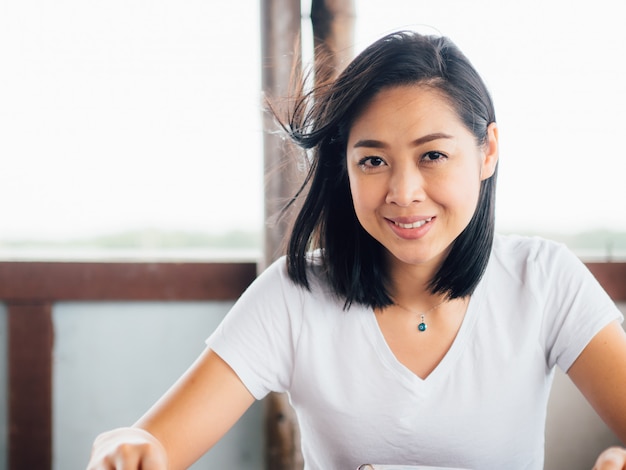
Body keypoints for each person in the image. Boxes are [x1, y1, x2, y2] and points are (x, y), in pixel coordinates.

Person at [87, 31, 626, 470]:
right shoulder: (293, 296)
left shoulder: (546, 280)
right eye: (373, 160)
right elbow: (150, 445)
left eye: (433, 155)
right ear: (344, 166)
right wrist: (122, 447)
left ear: (487, 151)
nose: (403, 191)